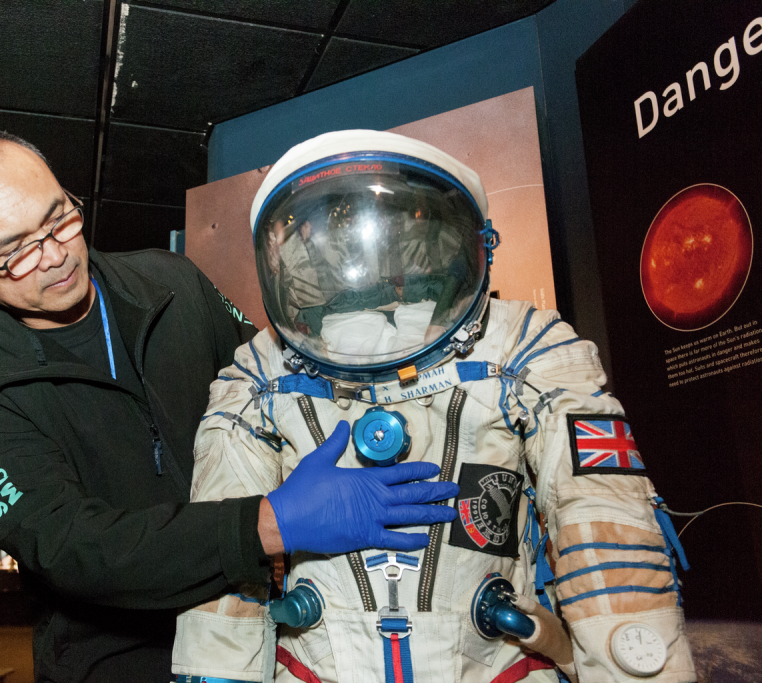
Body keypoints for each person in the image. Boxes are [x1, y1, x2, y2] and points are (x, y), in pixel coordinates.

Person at [0, 127, 461, 682]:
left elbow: (268, 382)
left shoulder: (170, 281)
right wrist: (272, 524)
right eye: (16, 252)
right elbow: (68, 546)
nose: (55, 255)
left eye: (59, 218)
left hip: (261, 629)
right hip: (120, 662)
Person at [173, 130, 697, 682]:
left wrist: (637, 664)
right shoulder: (259, 376)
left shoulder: (522, 347)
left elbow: (604, 524)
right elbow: (224, 567)